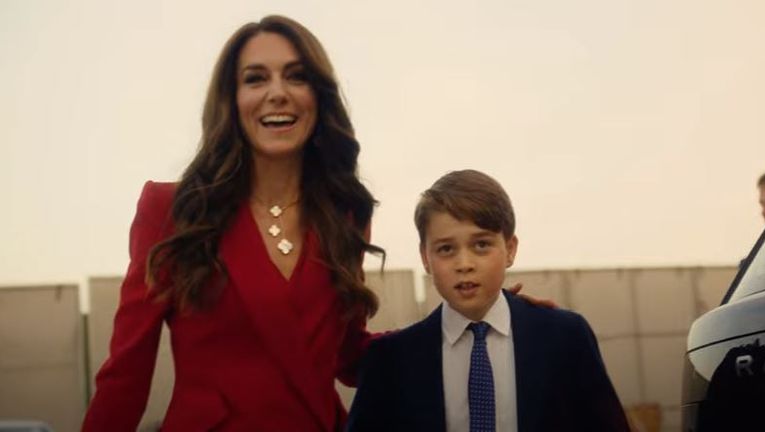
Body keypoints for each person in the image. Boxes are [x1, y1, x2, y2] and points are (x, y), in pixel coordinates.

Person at [82, 16, 385, 431]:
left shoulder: (347, 214)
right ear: (232, 99)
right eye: (256, 79)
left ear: (318, 96)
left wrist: (461, 323)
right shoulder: (171, 209)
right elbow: (127, 371)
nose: (277, 93)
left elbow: (348, 357)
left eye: (296, 77)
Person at [346, 169, 630, 432]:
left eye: (481, 245)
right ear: (425, 258)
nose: (464, 263)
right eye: (446, 249)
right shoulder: (390, 360)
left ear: (510, 249)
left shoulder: (565, 337)